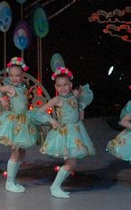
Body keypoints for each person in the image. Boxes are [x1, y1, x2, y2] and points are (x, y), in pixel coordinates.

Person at [35, 67, 94, 199]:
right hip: (65, 133)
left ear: (71, 84)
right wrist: (51, 120)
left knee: (72, 163)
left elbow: (82, 96)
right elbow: (39, 112)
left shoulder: (74, 94)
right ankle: (55, 187)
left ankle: (56, 186)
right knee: (71, 163)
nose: (63, 88)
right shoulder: (57, 100)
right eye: (59, 85)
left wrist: (81, 109)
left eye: (65, 84)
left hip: (76, 131)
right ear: (55, 87)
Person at [0, 56, 41, 193]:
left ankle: (13, 179)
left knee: (21, 152)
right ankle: (9, 182)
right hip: (14, 122)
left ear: (23, 75)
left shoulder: (23, 86)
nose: (14, 78)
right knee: (16, 152)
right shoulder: (9, 87)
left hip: (24, 120)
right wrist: (1, 99)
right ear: (8, 75)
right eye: (11, 76)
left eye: (17, 75)